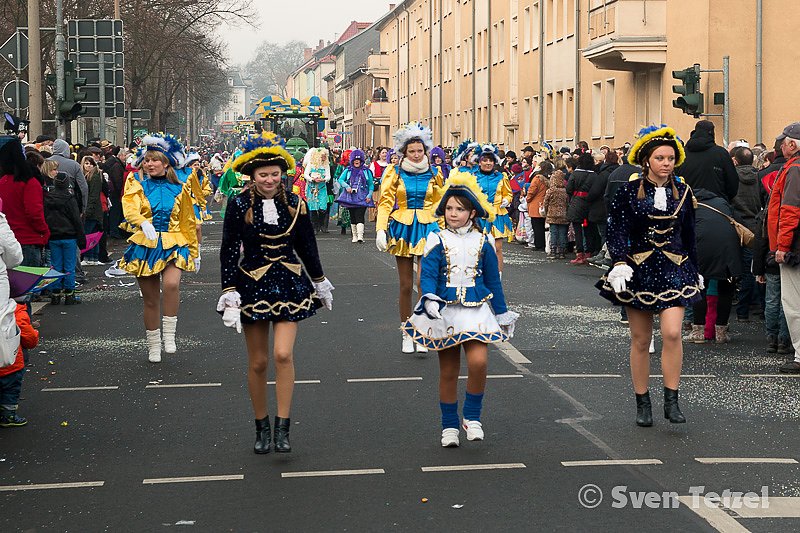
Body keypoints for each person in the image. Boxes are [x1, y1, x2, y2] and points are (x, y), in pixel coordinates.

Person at [217, 132, 334, 454]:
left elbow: (307, 247)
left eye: (274, 174)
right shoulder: (239, 203)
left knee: (283, 354)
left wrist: (320, 281)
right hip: (251, 284)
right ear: (252, 177)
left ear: (282, 174)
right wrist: (228, 290)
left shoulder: (297, 203)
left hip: (290, 283)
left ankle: (284, 426)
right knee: (258, 362)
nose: (269, 179)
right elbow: (228, 250)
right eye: (263, 175)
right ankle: (262, 426)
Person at [597, 125, 703, 427]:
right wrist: (618, 262)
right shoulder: (628, 192)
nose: (666, 163)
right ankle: (642, 402)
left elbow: (690, 235)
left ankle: (672, 399)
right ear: (647, 161)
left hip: (674, 269)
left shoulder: (683, 193)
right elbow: (616, 230)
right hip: (638, 270)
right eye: (660, 158)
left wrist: (695, 270)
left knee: (671, 333)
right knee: (641, 339)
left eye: (670, 158)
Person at [403, 172, 518, 447]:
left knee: (479, 363)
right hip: (446, 312)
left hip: (477, 310)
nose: (453, 213)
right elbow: (427, 275)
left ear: (472, 212)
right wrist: (428, 297)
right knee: (449, 371)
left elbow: (493, 280)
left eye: (460, 209)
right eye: (450, 208)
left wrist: (501, 312)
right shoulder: (436, 239)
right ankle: (449, 426)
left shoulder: (484, 241)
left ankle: (472, 417)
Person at [118, 134, 198, 363]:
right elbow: (129, 207)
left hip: (175, 241)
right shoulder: (136, 183)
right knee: (150, 299)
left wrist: (194, 249)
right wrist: (142, 222)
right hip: (146, 244)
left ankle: (170, 336)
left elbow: (188, 220)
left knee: (172, 284)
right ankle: (154, 344)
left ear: (166, 163)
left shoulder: (181, 187)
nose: (150, 164)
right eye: (147, 160)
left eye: (155, 160)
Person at [376, 123, 443, 353]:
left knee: (423, 283)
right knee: (405, 285)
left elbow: (440, 205)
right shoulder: (394, 172)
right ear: (404, 152)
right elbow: (385, 202)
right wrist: (380, 229)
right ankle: (407, 331)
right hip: (403, 227)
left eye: (420, 151)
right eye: (412, 151)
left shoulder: (435, 173)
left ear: (426, 151)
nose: (416, 155)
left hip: (428, 229)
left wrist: (446, 232)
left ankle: (422, 331)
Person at [767, 122, 800, 373]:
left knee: (794, 303)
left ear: (791, 144)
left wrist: (782, 246)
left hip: (795, 248)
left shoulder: (794, 169)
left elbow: (789, 211)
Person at [0, 136, 49, 267]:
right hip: (28, 240)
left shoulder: (3, 181)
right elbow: (34, 213)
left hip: (7, 241)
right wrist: (44, 231)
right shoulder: (30, 182)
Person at [43, 164, 86, 305]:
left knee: (55, 266)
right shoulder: (69, 199)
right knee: (69, 266)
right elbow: (76, 220)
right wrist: (81, 238)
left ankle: (55, 293)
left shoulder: (48, 199)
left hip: (53, 236)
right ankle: (69, 294)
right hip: (69, 235)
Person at [730, 146, 764, 321]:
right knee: (750, 269)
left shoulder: (732, 176)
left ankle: (731, 309)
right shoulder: (759, 177)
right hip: (753, 225)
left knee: (731, 268)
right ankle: (745, 310)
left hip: (734, 224)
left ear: (735, 160)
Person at [470, 145, 514, 270]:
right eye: (485, 160)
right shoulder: (473, 177)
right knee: (478, 247)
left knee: (497, 248)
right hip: (479, 215)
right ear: (479, 162)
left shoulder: (501, 177)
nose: (488, 163)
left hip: (496, 215)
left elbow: (508, 193)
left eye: (491, 160)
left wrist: (506, 199)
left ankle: (497, 277)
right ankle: (478, 276)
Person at [678, 120, 739, 203]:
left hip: (687, 204)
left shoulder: (682, 154)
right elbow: (733, 184)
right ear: (712, 133)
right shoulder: (721, 154)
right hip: (716, 207)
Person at [0, 300, 39, 427]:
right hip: (11, 363)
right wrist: (35, 335)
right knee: (11, 390)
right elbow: (29, 338)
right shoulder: (15, 310)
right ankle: (8, 415)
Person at [566, 152, 598, 265]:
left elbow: (569, 189)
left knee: (578, 230)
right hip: (590, 203)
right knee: (589, 229)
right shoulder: (594, 175)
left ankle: (579, 254)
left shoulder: (575, 174)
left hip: (577, 203)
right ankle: (589, 253)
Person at [336, 149, 374, 243]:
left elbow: (371, 184)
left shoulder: (366, 171)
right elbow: (340, 180)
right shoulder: (348, 170)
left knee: (360, 215)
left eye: (359, 160)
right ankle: (354, 236)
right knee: (353, 216)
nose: (357, 161)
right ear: (352, 160)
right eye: (355, 160)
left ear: (362, 161)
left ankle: (360, 236)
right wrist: (347, 186)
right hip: (351, 197)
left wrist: (369, 195)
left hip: (363, 197)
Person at [80, 156, 105, 265]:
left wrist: (87, 211)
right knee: (94, 234)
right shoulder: (90, 176)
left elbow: (93, 196)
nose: (89, 166)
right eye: (86, 163)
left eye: (91, 164)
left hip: (92, 210)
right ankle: (93, 257)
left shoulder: (94, 177)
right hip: (94, 210)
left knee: (89, 234)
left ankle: (89, 257)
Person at [303, 147, 332, 233]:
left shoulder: (326, 165)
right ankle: (315, 226)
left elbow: (328, 176)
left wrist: (324, 180)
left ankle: (320, 222)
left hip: (322, 188)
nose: (324, 157)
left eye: (325, 155)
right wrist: (312, 179)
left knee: (323, 208)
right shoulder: (311, 164)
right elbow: (305, 175)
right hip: (312, 188)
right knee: (313, 208)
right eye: (323, 155)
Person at [543, 170, 569, 259]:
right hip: (563, 214)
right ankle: (562, 252)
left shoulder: (551, 190)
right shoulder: (565, 191)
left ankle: (553, 251)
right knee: (562, 233)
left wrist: (546, 212)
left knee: (553, 233)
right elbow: (568, 203)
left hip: (552, 214)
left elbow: (546, 202)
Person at [525, 161, 551, 251]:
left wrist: (527, 199)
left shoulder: (537, 178)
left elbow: (532, 191)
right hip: (545, 203)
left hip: (536, 204)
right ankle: (544, 244)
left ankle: (539, 244)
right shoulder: (549, 179)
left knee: (536, 226)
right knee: (544, 226)